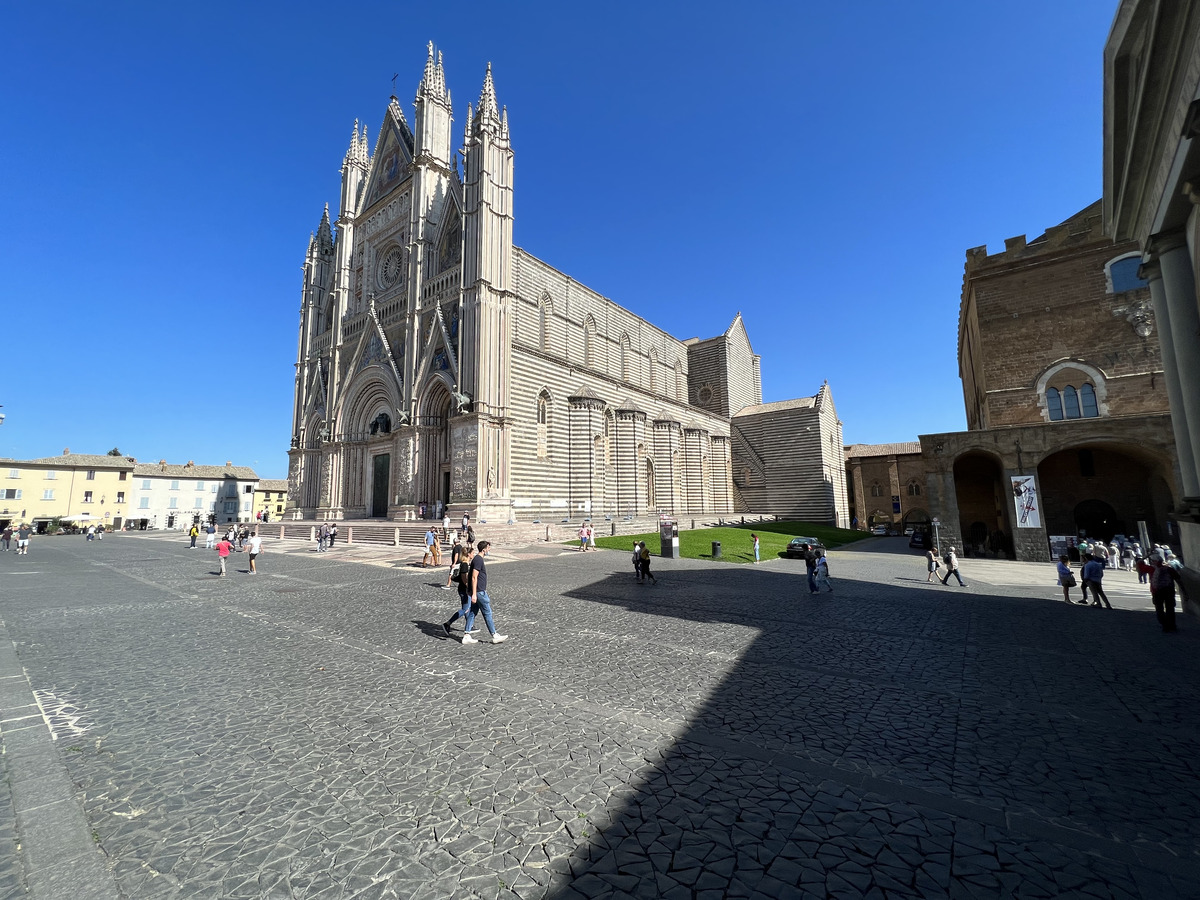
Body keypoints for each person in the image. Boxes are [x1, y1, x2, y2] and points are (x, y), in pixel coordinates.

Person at [461, 541, 507, 644]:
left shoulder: (477, 559)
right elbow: (473, 577)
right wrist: (473, 593)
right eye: (488, 548)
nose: (489, 550)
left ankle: (467, 635)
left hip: (477, 591)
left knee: (473, 613)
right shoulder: (478, 560)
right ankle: (494, 635)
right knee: (487, 612)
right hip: (479, 592)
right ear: (484, 549)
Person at [442, 544, 479, 634]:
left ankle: (469, 625)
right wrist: (470, 588)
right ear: (468, 554)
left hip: (463, 590)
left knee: (467, 608)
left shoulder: (466, 564)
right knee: (465, 609)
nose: (473, 555)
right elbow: (464, 579)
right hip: (464, 590)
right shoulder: (465, 565)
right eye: (472, 553)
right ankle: (447, 623)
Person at [1149, 550, 1187, 633]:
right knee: (1170, 609)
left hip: (1157, 591)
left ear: (1155, 561)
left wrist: (1146, 555)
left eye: (1152, 561)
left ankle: (1165, 625)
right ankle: (1171, 625)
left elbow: (1139, 565)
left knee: (1159, 609)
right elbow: (1178, 580)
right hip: (1169, 590)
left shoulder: (1152, 569)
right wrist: (1184, 592)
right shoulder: (1169, 569)